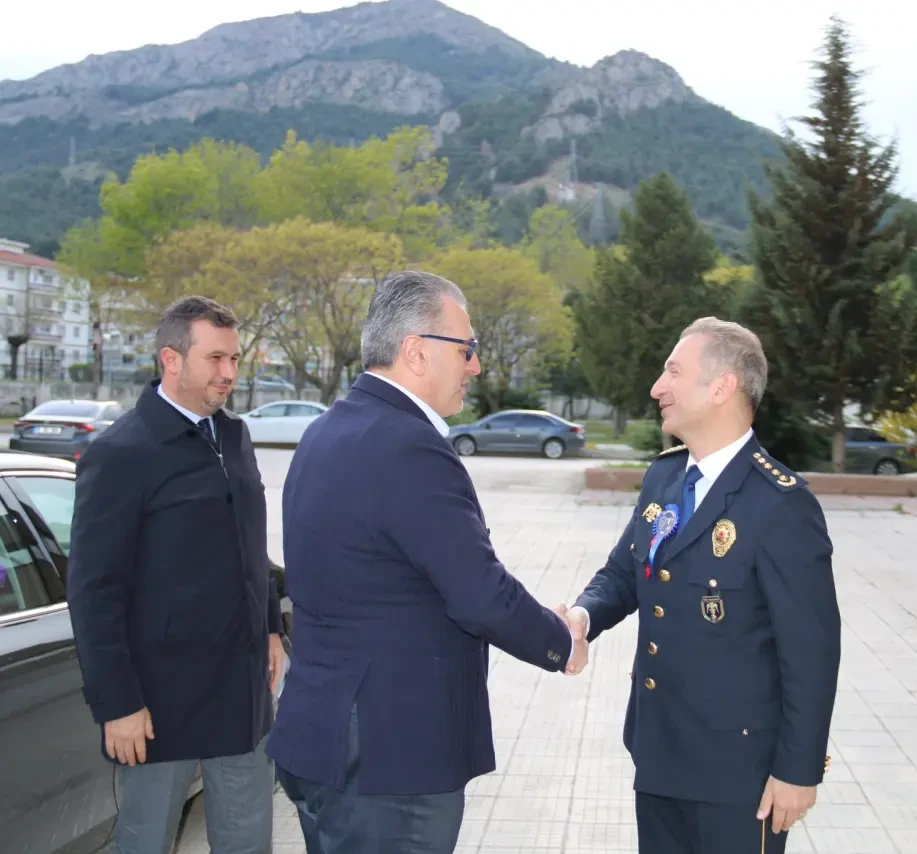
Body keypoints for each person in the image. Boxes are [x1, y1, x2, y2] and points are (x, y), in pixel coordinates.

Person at [268, 270, 586, 853]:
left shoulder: (326, 432)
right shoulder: (408, 445)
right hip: (390, 761)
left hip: (325, 738)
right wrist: (560, 641)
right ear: (415, 351)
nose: (476, 367)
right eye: (466, 349)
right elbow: (478, 593)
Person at [560, 317, 841, 854]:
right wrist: (582, 616)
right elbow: (626, 572)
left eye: (672, 373)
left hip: (739, 775)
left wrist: (799, 770)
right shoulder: (665, 478)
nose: (656, 388)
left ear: (721, 387)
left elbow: (812, 651)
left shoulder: (781, 503)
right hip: (660, 752)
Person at [66, 296, 285, 854]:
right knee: (145, 843)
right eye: (215, 358)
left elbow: (249, 546)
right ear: (171, 359)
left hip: (242, 696)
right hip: (157, 706)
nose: (230, 373)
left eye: (235, 359)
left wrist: (269, 625)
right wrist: (116, 703)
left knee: (248, 843)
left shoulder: (234, 437)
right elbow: (93, 592)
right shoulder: (120, 453)